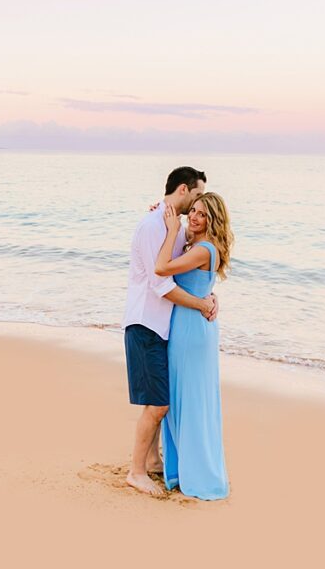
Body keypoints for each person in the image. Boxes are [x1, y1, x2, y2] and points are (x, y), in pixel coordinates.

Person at [122, 167, 218, 496]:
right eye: (196, 195)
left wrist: (207, 293)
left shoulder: (174, 226)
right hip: (146, 322)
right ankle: (136, 472)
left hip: (164, 326)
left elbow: (191, 267)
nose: (198, 202)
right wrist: (201, 305)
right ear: (182, 190)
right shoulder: (154, 225)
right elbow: (161, 283)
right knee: (159, 404)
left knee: (158, 399)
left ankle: (152, 462)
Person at [155, 192, 233, 500]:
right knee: (184, 398)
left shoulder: (204, 249)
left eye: (202, 214)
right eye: (194, 211)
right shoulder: (199, 245)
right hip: (190, 325)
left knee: (190, 401)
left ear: (213, 220)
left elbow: (162, 268)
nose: (194, 217)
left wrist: (172, 230)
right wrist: (161, 213)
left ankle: (199, 476)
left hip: (190, 330)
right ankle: (183, 469)